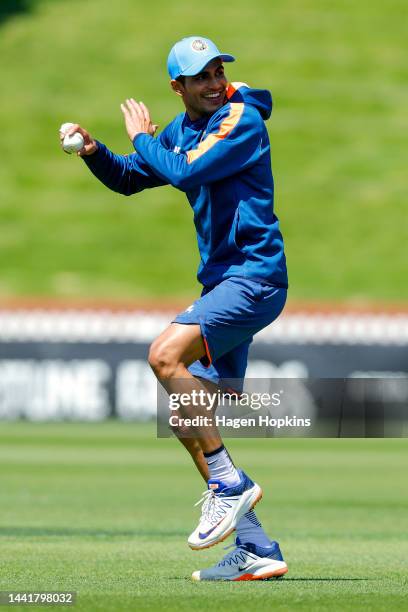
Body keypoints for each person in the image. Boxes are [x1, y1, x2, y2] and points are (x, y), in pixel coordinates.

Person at [61, 36, 289, 581]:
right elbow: (132, 178)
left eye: (218, 71)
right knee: (189, 417)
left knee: (164, 356)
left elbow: (185, 172)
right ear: (178, 87)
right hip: (222, 285)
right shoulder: (183, 130)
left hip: (253, 278)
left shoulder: (242, 119)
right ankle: (258, 547)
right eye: (201, 76)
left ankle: (229, 484)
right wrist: (96, 152)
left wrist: (141, 136)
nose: (214, 83)